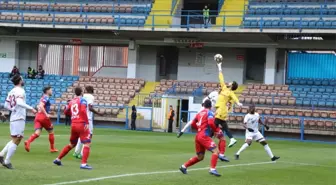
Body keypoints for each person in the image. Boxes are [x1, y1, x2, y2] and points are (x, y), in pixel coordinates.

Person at [0, 74, 37, 169]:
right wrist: (31, 108)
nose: (23, 80)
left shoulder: (11, 91)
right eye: (22, 78)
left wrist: (13, 110)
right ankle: (7, 161)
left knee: (14, 139)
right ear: (20, 81)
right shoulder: (20, 90)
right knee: (17, 139)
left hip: (13, 117)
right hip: (19, 117)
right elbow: (20, 103)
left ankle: (1, 155)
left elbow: (6, 105)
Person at [179, 99, 221, 176]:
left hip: (198, 136)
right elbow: (211, 123)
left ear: (203, 105)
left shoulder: (199, 113)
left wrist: (198, 128)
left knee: (200, 157)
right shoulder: (209, 113)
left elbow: (192, 123)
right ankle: (212, 169)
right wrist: (216, 130)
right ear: (211, 106)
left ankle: (183, 166)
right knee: (216, 151)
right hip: (204, 136)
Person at [53, 87, 92, 170]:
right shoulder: (83, 100)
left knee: (72, 144)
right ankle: (84, 164)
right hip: (81, 124)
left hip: (73, 124)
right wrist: (86, 122)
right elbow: (83, 111)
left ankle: (58, 159)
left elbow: (66, 111)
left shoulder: (71, 101)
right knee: (87, 143)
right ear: (81, 92)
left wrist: (74, 115)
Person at [215, 61, 243, 148]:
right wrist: (219, 67)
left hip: (221, 110)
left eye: (231, 82)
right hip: (221, 110)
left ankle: (207, 137)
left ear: (232, 85)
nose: (229, 82)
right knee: (224, 126)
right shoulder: (224, 87)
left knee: (214, 124)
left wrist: (238, 103)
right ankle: (231, 139)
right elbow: (221, 78)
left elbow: (235, 98)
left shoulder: (230, 92)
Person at [24, 86, 58, 153]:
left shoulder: (42, 97)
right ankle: (52, 148)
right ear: (47, 91)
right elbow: (41, 106)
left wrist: (49, 112)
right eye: (51, 90)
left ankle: (28, 142)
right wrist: (46, 114)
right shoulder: (46, 97)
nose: (52, 91)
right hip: (43, 117)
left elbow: (41, 107)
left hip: (38, 117)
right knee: (51, 132)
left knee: (37, 133)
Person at [73, 86, 103, 159]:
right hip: (88, 119)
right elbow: (90, 107)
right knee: (89, 136)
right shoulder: (91, 97)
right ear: (92, 90)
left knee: (81, 135)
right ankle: (82, 154)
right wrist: (98, 113)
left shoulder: (82, 96)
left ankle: (76, 152)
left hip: (80, 118)